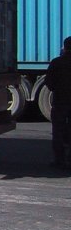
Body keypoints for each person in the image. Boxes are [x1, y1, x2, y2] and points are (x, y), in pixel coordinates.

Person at [45, 36, 71, 168]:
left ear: (65, 47)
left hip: (60, 100)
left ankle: (59, 159)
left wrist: (56, 88)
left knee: (58, 131)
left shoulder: (56, 62)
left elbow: (48, 82)